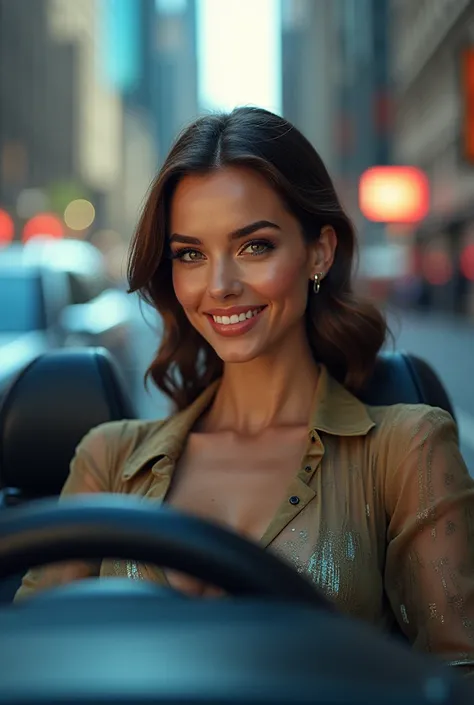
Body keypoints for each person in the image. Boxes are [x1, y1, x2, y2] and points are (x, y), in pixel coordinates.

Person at [15, 107, 474, 676]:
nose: (221, 286)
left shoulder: (406, 452)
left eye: (254, 246)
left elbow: (458, 678)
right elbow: (24, 662)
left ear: (319, 252)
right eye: (190, 254)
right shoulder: (108, 459)